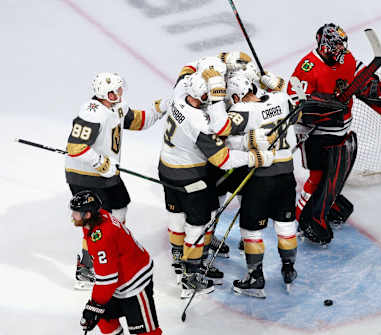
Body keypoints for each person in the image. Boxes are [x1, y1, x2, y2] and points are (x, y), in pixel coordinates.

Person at [159, 71, 275, 298]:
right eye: (211, 95)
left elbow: (186, 72)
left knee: (179, 215)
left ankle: (180, 260)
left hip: (167, 167)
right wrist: (255, 157)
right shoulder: (199, 122)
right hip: (189, 177)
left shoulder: (179, 95)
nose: (216, 99)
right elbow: (222, 159)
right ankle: (190, 277)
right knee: (197, 225)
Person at [286, 23, 381, 245]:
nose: (340, 49)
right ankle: (301, 218)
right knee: (317, 176)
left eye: (342, 44)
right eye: (335, 45)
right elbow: (294, 101)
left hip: (342, 129)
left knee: (334, 175)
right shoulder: (307, 67)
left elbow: (360, 72)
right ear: (323, 45)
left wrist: (373, 86)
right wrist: (316, 107)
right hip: (316, 134)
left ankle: (326, 205)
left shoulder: (345, 57)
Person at [65, 72, 166, 289]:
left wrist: (160, 109)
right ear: (105, 92)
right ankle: (87, 267)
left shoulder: (117, 106)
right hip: (85, 176)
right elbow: (75, 147)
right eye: (116, 90)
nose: (120, 93)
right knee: (97, 221)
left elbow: (137, 121)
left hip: (106, 174)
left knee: (120, 206)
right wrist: (100, 163)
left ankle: (110, 250)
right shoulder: (92, 113)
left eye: (121, 89)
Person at [223, 73, 297, 297]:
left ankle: (255, 277)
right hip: (287, 174)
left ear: (236, 95)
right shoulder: (281, 99)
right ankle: (289, 268)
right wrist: (282, 86)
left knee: (251, 228)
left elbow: (222, 134)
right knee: (285, 224)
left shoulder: (242, 110)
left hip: (261, 178)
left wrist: (244, 141)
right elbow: (299, 112)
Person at [70, 190, 162, 335]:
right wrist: (95, 306)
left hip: (135, 282)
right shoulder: (97, 218)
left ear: (87, 214)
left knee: (146, 332)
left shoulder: (101, 238)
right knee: (102, 317)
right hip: (119, 281)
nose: (72, 216)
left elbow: (107, 279)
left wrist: (93, 305)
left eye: (76, 212)